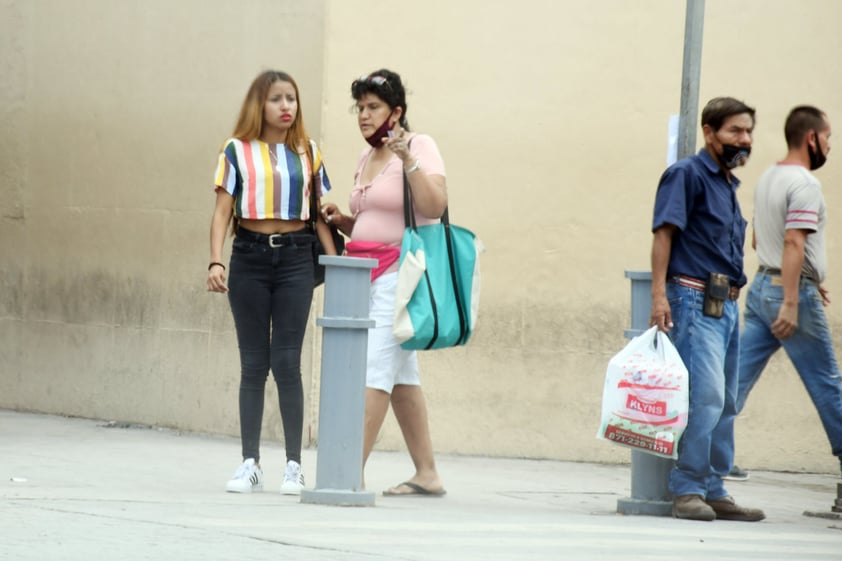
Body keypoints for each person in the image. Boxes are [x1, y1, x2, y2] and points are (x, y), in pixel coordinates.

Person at [207, 70, 337, 495]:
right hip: (248, 257)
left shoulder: (309, 152)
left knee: (287, 362)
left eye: (292, 99)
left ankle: (294, 466)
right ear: (258, 105)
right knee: (252, 364)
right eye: (277, 99)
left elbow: (319, 215)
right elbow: (223, 211)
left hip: (297, 258)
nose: (287, 107)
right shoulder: (235, 150)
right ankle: (250, 462)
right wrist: (215, 262)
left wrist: (337, 266)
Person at [321, 69, 447, 496]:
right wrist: (345, 221)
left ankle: (346, 471)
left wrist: (408, 160)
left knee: (374, 368)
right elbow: (376, 219)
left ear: (397, 112)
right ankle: (427, 472)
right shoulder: (366, 156)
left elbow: (434, 205)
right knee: (402, 377)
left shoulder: (419, 146)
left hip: (401, 276)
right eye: (360, 107)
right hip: (363, 275)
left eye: (373, 107)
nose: (364, 115)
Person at [649, 96, 765, 522]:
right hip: (694, 298)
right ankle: (688, 488)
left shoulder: (725, 183)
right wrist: (659, 297)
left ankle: (714, 487)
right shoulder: (686, 175)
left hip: (727, 304)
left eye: (749, 131)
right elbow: (664, 234)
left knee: (727, 400)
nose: (745, 139)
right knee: (707, 397)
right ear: (709, 132)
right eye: (735, 130)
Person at [730, 106, 842, 481]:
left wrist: (809, 275)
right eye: (828, 137)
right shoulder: (805, 184)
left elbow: (761, 238)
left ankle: (713, 458)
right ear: (811, 138)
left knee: (736, 379)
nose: (829, 145)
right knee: (826, 382)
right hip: (787, 295)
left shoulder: (768, 178)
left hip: (761, 285)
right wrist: (794, 298)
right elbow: (794, 239)